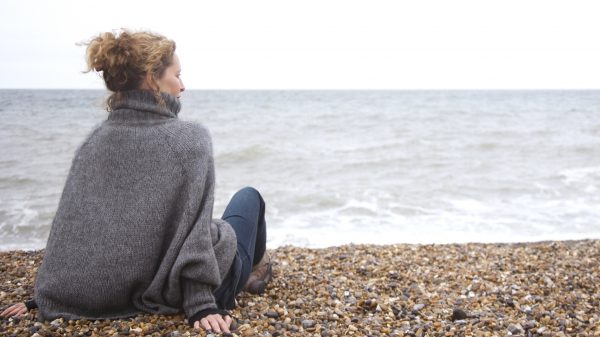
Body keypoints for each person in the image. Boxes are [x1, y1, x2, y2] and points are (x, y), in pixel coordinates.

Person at [0, 30, 272, 334]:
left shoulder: (94, 142)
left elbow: (73, 230)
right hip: (196, 290)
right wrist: (201, 304)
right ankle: (256, 269)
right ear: (152, 79)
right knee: (249, 198)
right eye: (177, 75)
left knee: (218, 224)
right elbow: (195, 232)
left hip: (109, 291)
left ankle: (255, 268)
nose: (183, 85)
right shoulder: (190, 141)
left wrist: (47, 297)